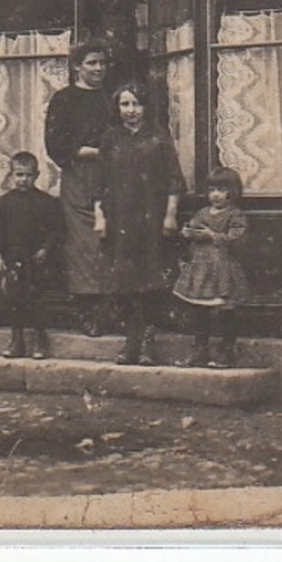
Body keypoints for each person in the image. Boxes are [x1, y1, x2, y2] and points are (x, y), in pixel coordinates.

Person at [93, 81, 186, 365]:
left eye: (136, 104)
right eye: (125, 104)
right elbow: (100, 182)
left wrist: (170, 215)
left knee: (150, 279)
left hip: (151, 218)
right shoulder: (110, 138)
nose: (130, 111)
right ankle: (129, 340)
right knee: (125, 281)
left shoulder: (159, 136)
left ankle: (147, 341)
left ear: (145, 106)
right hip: (121, 218)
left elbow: (174, 179)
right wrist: (100, 216)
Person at [43, 39, 117, 336]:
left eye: (102, 63)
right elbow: (55, 144)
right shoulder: (63, 99)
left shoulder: (112, 99)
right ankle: (87, 311)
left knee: (111, 238)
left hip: (112, 176)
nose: (99, 68)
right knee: (84, 242)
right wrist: (88, 152)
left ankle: (111, 309)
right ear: (77, 67)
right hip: (79, 175)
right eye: (92, 63)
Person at [0, 151, 63, 360]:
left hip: (36, 260)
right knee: (14, 300)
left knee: (37, 299)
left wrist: (46, 249)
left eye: (28, 175)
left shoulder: (45, 202)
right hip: (13, 258)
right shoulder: (5, 202)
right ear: (11, 175)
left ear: (37, 175)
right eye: (19, 175)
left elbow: (55, 230)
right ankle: (16, 339)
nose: (23, 180)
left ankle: (39, 339)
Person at [173, 167, 251, 368]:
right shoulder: (202, 213)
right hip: (200, 270)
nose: (215, 195)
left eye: (222, 189)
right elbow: (191, 229)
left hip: (222, 270)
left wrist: (213, 236)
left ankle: (227, 352)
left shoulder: (235, 214)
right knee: (199, 312)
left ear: (232, 191)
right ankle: (199, 351)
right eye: (212, 190)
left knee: (225, 311)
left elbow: (238, 239)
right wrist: (187, 232)